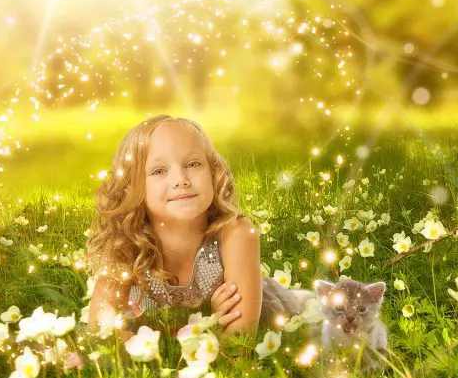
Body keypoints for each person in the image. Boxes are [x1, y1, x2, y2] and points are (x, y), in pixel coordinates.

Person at [84, 115, 306, 338]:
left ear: (213, 172)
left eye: (193, 164)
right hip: (200, 338)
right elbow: (99, 330)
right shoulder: (125, 244)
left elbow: (240, 343)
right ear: (131, 187)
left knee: (324, 309)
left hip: (282, 315)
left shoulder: (236, 233)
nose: (181, 179)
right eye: (159, 171)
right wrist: (211, 323)